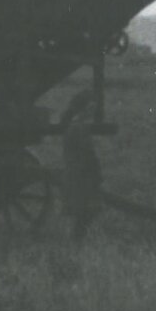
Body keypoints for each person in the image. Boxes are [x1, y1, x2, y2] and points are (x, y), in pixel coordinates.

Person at [59, 90, 104, 242]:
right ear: (82, 109)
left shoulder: (75, 126)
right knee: (87, 211)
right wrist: (96, 171)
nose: (92, 111)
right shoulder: (78, 128)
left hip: (78, 172)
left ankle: (77, 241)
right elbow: (87, 154)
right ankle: (76, 242)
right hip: (81, 175)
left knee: (85, 212)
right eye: (90, 108)